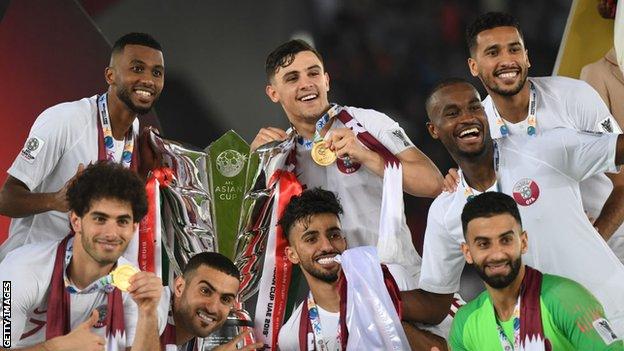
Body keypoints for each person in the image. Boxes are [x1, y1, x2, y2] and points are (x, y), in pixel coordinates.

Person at [408, 78, 624, 335]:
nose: (467, 118)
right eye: (452, 113)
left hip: (612, 313)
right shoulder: (446, 211)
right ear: (434, 129)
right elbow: (436, 302)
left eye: (474, 107)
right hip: (548, 337)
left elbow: (617, 148)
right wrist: (374, 296)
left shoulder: (542, 149)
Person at [251, 39, 443, 277]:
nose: (306, 84)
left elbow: (433, 183)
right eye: (292, 78)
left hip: (398, 280)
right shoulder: (280, 156)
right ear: (273, 93)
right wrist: (253, 169)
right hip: (335, 293)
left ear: (326, 81)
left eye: (313, 73)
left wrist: (368, 156)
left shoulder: (369, 124)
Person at [462, 11, 624, 261]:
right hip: (548, 263)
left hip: (614, 245)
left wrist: (595, 240)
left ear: (527, 57)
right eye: (493, 52)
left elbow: (623, 183)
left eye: (514, 49)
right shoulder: (478, 129)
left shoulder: (575, 96)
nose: (507, 60)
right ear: (474, 66)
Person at [0, 32, 165, 260]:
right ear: (110, 75)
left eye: (156, 72)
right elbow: (5, 199)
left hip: (80, 282)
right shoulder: (64, 120)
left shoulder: (135, 132)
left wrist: (142, 171)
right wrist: (55, 200)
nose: (148, 80)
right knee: (4, 296)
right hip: (19, 272)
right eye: (137, 68)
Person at [0, 162, 162, 350]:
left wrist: (148, 313)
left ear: (134, 228)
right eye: (100, 219)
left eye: (122, 221)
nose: (111, 233)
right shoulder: (21, 271)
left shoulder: (134, 286)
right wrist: (54, 348)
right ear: (76, 221)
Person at [276, 188, 454, 351]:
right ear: (292, 255)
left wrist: (381, 309)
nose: (327, 246)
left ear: (344, 241)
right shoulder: (291, 337)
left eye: (334, 235)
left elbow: (446, 347)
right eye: (311, 239)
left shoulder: (392, 278)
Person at [450, 192, 623, 350]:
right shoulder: (465, 323)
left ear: (523, 242)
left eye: (506, 240)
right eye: (483, 244)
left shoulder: (566, 300)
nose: (496, 254)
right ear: (467, 252)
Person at [157, 251, 263, 351]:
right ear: (180, 287)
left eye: (225, 299)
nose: (213, 308)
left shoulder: (187, 333)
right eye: (205, 291)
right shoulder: (154, 307)